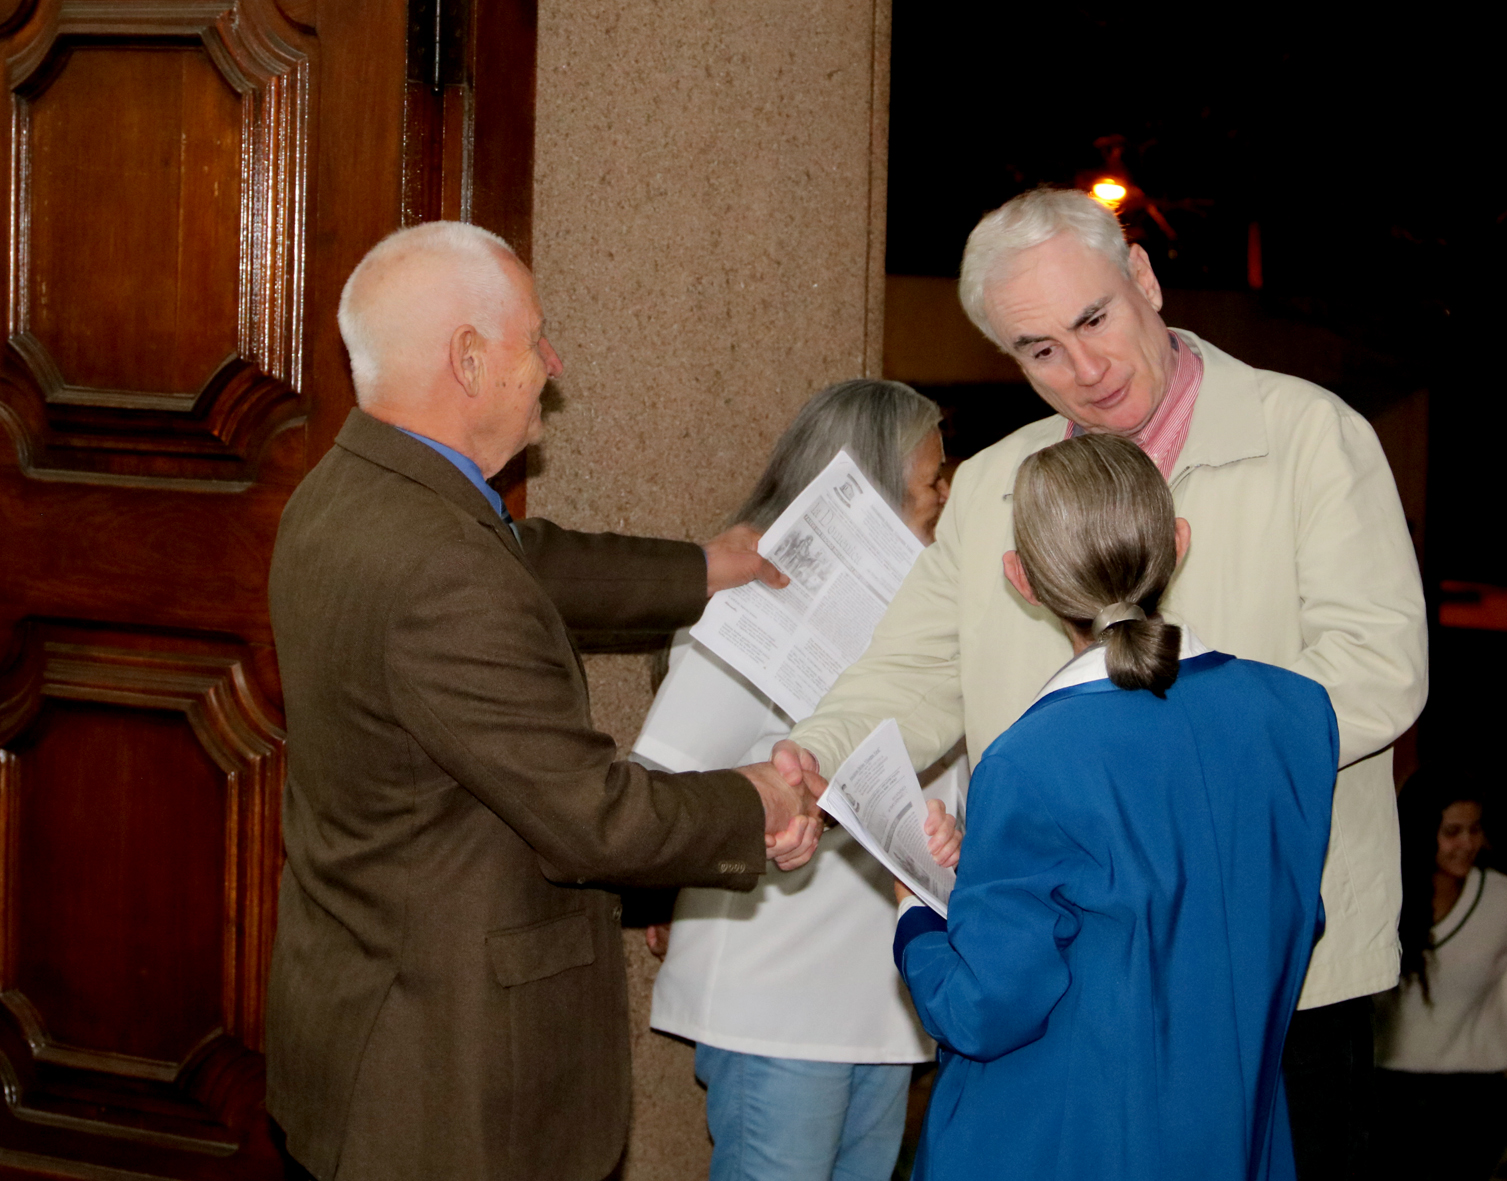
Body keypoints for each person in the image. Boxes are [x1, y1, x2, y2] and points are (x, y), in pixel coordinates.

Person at [774, 185, 1428, 1178]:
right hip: (1055, 965)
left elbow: (1378, 668)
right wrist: (808, 762)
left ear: (1143, 278)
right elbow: (914, 668)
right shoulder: (994, 485)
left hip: (1268, 970)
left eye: (1093, 319)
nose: (1084, 369)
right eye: (1039, 349)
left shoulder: (1307, 435)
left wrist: (1155, 781)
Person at [265, 221, 825, 1181]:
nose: (553, 364)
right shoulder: (443, 569)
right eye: (535, 338)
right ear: (469, 359)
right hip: (450, 1082)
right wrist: (756, 799)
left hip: (359, 1012)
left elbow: (523, 558)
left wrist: (706, 567)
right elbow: (595, 821)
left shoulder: (348, 491)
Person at [891, 433, 1338, 1179]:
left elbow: (982, 1007)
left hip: (1062, 1140)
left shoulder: (1031, 757)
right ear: (1179, 543)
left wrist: (916, 914)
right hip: (1232, 1133)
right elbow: (1263, 911)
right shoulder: (1298, 714)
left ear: (1021, 580)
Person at [634, 379, 961, 1181]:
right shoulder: (754, 608)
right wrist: (657, 893)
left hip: (884, 997)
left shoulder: (929, 617)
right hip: (775, 996)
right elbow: (663, 779)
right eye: (932, 479)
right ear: (867, 486)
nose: (947, 496)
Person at [1373, 771, 1507, 1181]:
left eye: (1475, 830)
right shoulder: (1382, 895)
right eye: (1452, 832)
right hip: (1388, 1091)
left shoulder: (1502, 898)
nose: (1467, 844)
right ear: (1420, 832)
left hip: (1476, 1095)